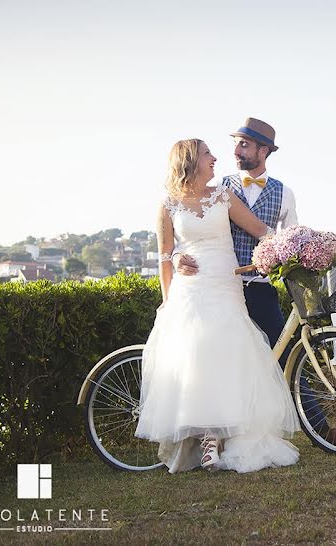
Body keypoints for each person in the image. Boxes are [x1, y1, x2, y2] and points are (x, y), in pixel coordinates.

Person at [172, 118, 336, 448]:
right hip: (220, 288)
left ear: (264, 151)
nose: (236, 150)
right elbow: (185, 227)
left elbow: (289, 237)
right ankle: (214, 436)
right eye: (235, 143)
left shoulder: (284, 193)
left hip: (259, 288)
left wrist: (314, 251)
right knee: (218, 360)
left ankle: (321, 430)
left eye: (244, 144)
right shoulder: (216, 188)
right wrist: (176, 256)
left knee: (287, 356)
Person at [134, 138, 300, 473]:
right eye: (208, 154)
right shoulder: (167, 204)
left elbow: (259, 230)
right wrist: (169, 303)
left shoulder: (223, 195)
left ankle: (223, 434)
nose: (215, 159)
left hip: (225, 283)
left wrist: (296, 246)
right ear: (192, 160)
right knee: (197, 358)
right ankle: (208, 437)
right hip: (190, 290)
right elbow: (165, 257)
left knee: (227, 354)